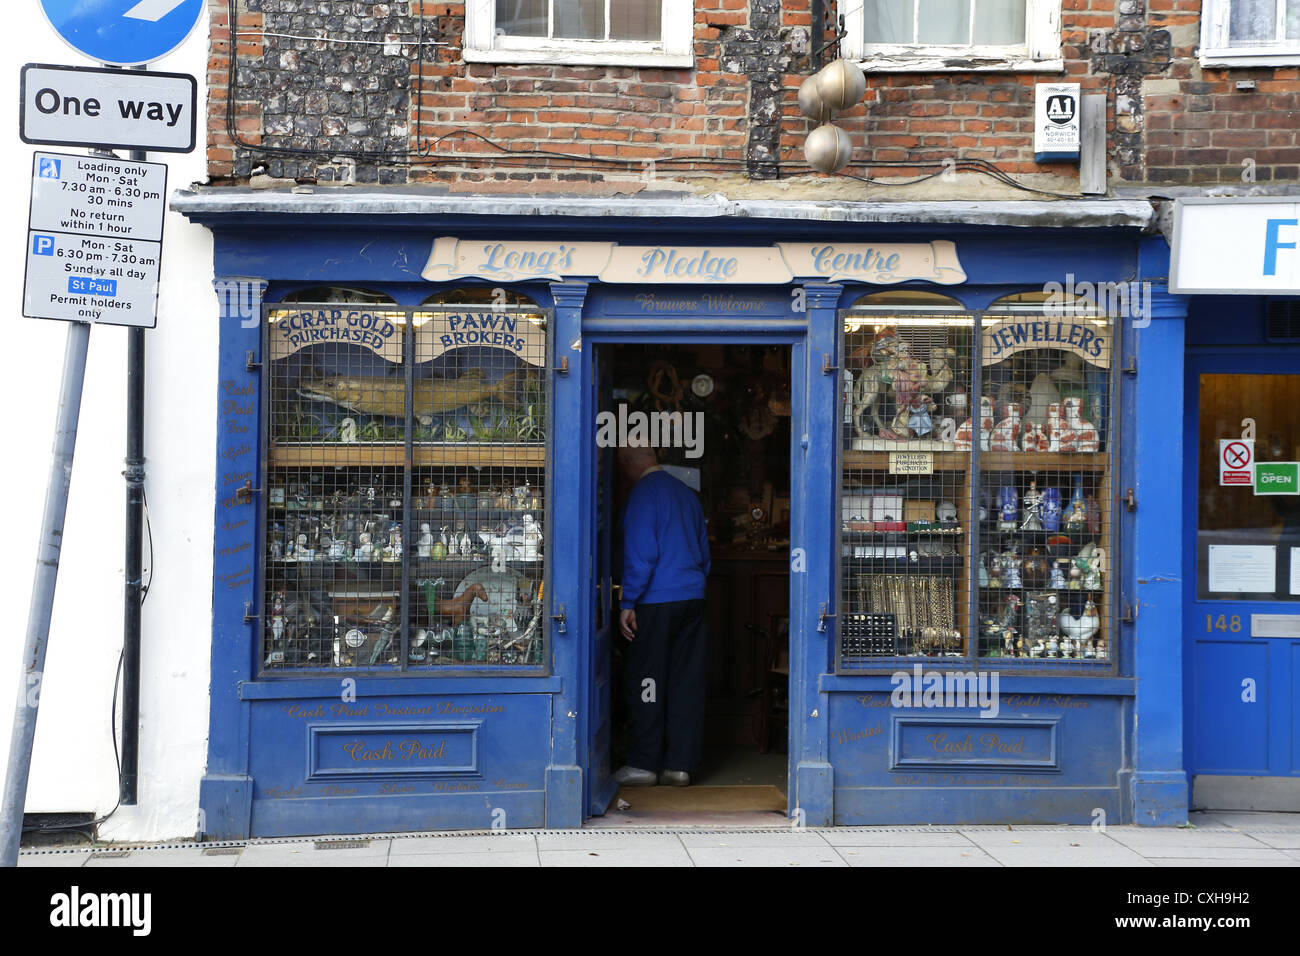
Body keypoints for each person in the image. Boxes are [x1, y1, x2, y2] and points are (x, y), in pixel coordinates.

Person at [614, 444, 710, 788]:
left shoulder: (642, 495)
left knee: (647, 681)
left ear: (627, 464)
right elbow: (703, 553)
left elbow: (642, 554)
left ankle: (644, 763)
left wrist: (628, 602)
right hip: (692, 596)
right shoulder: (686, 494)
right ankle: (680, 765)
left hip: (655, 600)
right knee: (686, 681)